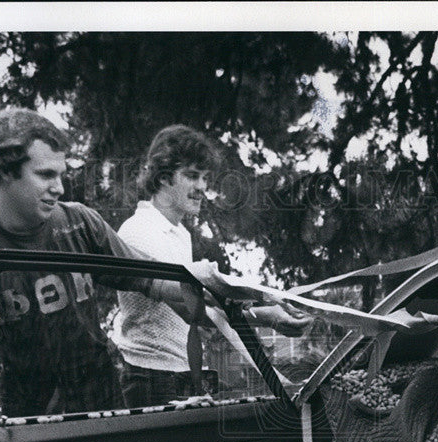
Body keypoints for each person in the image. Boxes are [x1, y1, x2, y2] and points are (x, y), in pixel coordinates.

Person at [0, 109, 216, 420]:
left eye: (61, 174)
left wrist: (217, 288)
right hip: (34, 420)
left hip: (104, 406)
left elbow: (152, 280)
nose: (59, 188)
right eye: (45, 175)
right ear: (3, 170)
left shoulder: (79, 222)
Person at [113, 124, 312, 406]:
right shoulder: (140, 231)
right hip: (150, 377)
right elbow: (190, 309)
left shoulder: (179, 234)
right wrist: (267, 313)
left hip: (178, 372)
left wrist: (268, 313)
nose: (202, 188)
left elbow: (200, 309)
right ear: (163, 177)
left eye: (205, 178)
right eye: (192, 176)